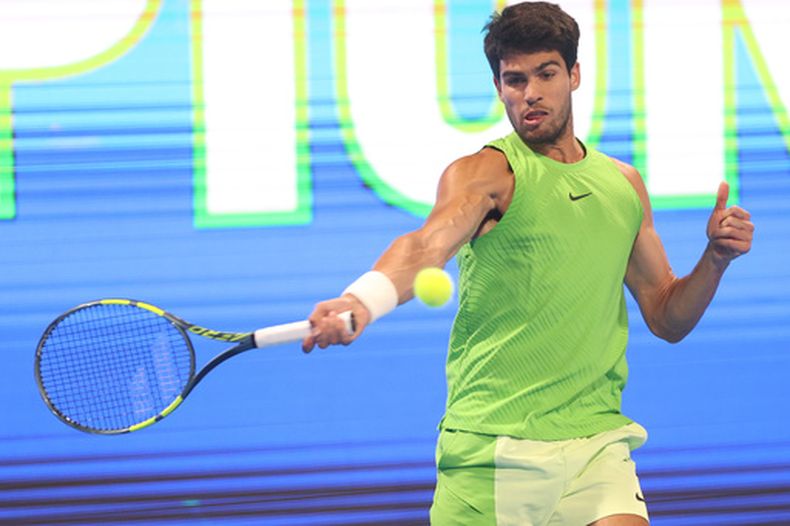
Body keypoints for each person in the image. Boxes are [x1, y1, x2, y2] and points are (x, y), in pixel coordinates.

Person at [301, 2, 754, 524]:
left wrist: (715, 259)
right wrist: (362, 300)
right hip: (493, 449)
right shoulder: (486, 174)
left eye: (546, 74)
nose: (531, 93)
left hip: (595, 442)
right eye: (515, 80)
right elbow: (426, 247)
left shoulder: (623, 185)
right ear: (499, 88)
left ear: (574, 75)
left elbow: (667, 317)